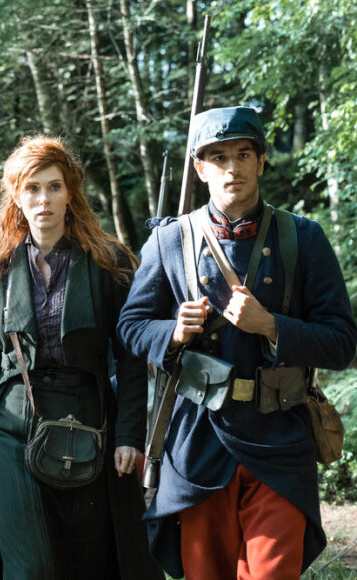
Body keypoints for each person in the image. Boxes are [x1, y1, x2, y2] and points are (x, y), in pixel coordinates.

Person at [117, 106, 357, 579]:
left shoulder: (303, 238)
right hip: (198, 440)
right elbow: (130, 326)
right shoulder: (170, 241)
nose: (233, 167)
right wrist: (173, 331)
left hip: (281, 439)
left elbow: (342, 343)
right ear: (200, 168)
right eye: (219, 157)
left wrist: (271, 326)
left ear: (261, 160)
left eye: (244, 153)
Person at [0, 136, 163, 580]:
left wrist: (129, 434)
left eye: (54, 187)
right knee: (30, 568)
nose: (43, 199)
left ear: (71, 193)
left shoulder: (108, 263)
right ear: (16, 195)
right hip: (10, 430)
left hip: (90, 424)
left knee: (90, 561)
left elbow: (130, 361)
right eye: (32, 188)